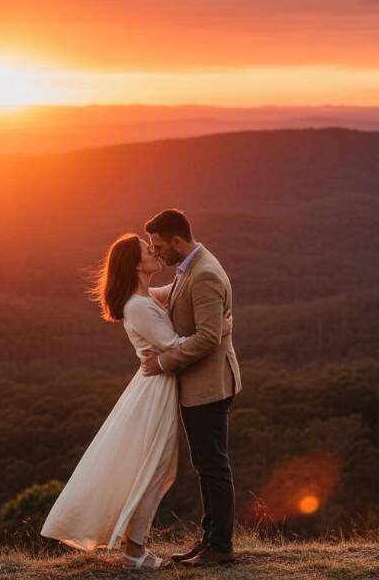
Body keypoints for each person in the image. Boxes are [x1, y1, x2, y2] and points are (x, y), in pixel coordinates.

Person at [40, 233, 182, 570]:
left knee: (154, 467)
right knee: (152, 467)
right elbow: (174, 345)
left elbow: (171, 298)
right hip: (155, 390)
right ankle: (134, 550)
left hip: (155, 387)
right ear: (135, 263)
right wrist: (217, 329)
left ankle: (133, 545)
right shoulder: (138, 305)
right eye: (149, 250)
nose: (155, 252)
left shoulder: (144, 298)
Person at [141, 208, 242, 566]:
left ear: (177, 241)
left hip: (209, 387)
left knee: (213, 464)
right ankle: (209, 539)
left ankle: (221, 547)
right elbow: (173, 294)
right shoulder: (189, 268)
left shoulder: (206, 274)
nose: (156, 253)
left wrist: (163, 362)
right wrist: (135, 290)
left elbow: (208, 338)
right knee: (205, 462)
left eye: (158, 246)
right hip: (199, 386)